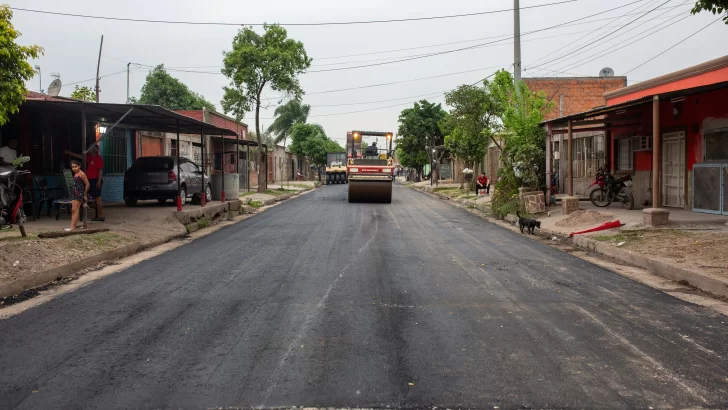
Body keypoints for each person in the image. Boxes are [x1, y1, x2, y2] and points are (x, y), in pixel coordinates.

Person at [64, 145, 105, 221]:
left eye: (90, 148)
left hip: (95, 180)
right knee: (84, 194)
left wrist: (99, 181)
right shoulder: (90, 157)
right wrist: (69, 152)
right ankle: (89, 208)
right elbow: (80, 156)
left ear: (93, 150)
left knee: (97, 198)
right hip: (89, 180)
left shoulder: (98, 158)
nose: (88, 150)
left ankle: (101, 215)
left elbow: (100, 170)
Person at [66, 160, 90, 232]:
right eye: (72, 167)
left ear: (79, 166)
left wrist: (84, 194)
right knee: (73, 210)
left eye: (75, 167)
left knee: (75, 210)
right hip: (74, 193)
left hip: (79, 193)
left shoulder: (82, 174)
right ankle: (72, 226)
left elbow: (87, 184)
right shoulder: (75, 174)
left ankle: (72, 227)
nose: (74, 168)